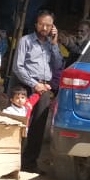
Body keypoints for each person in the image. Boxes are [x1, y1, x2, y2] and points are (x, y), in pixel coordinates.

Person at [13, 10, 64, 171]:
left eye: (48, 25)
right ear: (36, 24)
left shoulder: (51, 44)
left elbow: (58, 65)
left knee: (38, 126)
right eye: (42, 24)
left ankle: (29, 163)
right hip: (27, 87)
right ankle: (13, 160)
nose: (45, 28)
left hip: (45, 89)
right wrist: (34, 84)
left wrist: (54, 43)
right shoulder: (26, 41)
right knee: (20, 123)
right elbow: (18, 67)